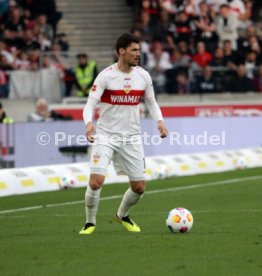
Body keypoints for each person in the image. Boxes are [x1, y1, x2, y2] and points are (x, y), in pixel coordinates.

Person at [79, 33, 168, 235]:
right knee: (95, 182)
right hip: (105, 135)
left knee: (139, 187)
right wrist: (88, 123)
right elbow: (90, 104)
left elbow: (151, 102)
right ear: (122, 51)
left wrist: (160, 121)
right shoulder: (106, 76)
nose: (138, 54)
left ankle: (122, 215)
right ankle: (89, 223)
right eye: (134, 50)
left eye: (139, 50)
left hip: (131, 137)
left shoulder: (143, 76)